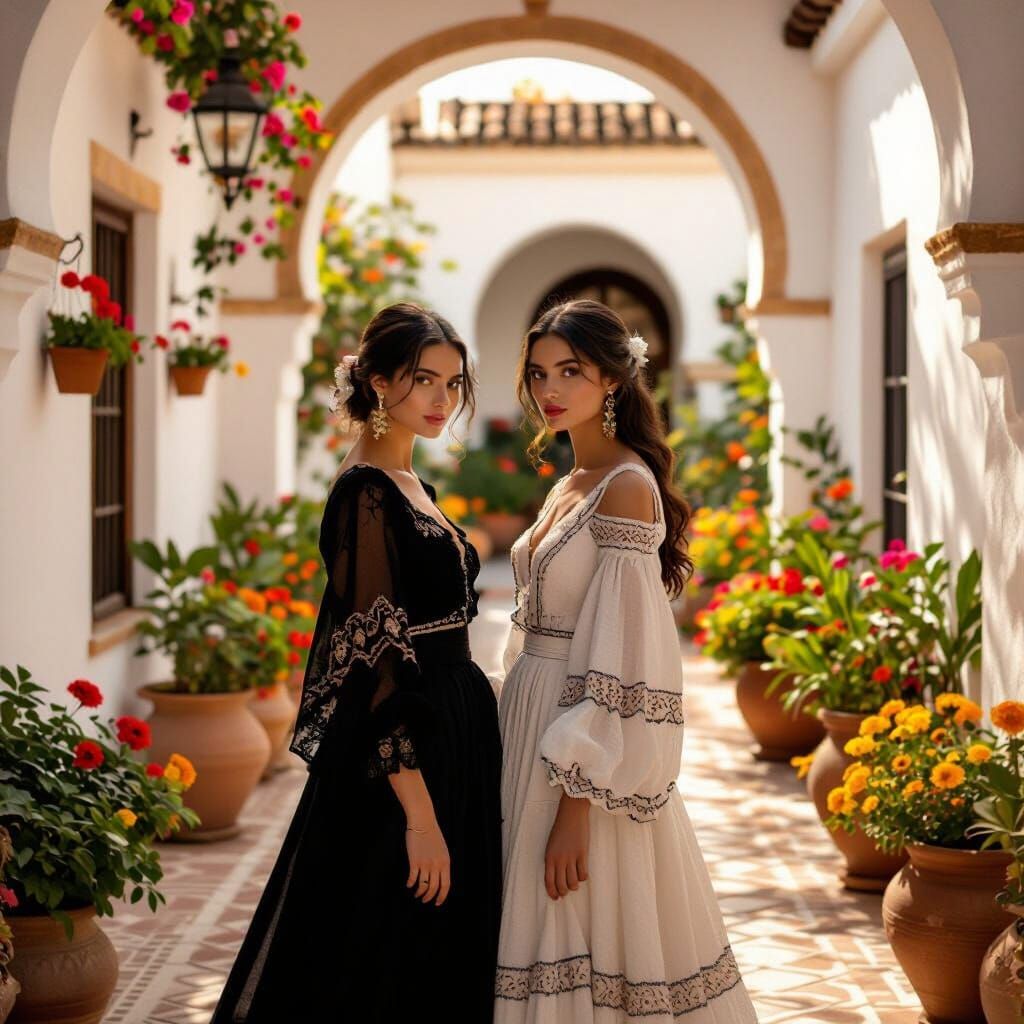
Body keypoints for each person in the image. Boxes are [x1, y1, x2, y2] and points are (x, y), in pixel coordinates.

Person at [211, 303, 502, 1023]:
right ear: (376, 383)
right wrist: (420, 817)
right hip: (406, 760)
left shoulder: (413, 488)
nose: (442, 399)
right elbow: (374, 664)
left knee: (437, 953)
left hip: (455, 728)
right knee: (382, 954)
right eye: (423, 380)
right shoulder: (364, 494)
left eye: (453, 384)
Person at [494, 299, 757, 1023]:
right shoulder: (568, 483)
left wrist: (577, 804)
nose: (550, 388)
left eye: (571, 372)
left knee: (579, 927)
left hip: (577, 753)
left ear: (613, 380)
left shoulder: (628, 486)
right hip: (531, 723)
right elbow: (532, 625)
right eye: (540, 372)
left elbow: (626, 659)